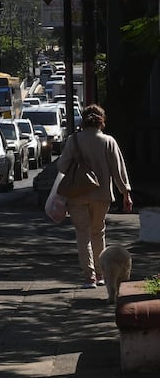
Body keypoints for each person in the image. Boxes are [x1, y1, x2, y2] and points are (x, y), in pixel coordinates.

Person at [57, 104, 132, 289]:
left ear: (83, 120)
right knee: (98, 233)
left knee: (83, 235)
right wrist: (125, 193)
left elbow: (61, 166)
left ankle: (89, 277)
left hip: (77, 195)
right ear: (102, 120)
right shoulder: (108, 141)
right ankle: (101, 273)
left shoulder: (73, 140)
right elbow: (118, 170)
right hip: (102, 195)